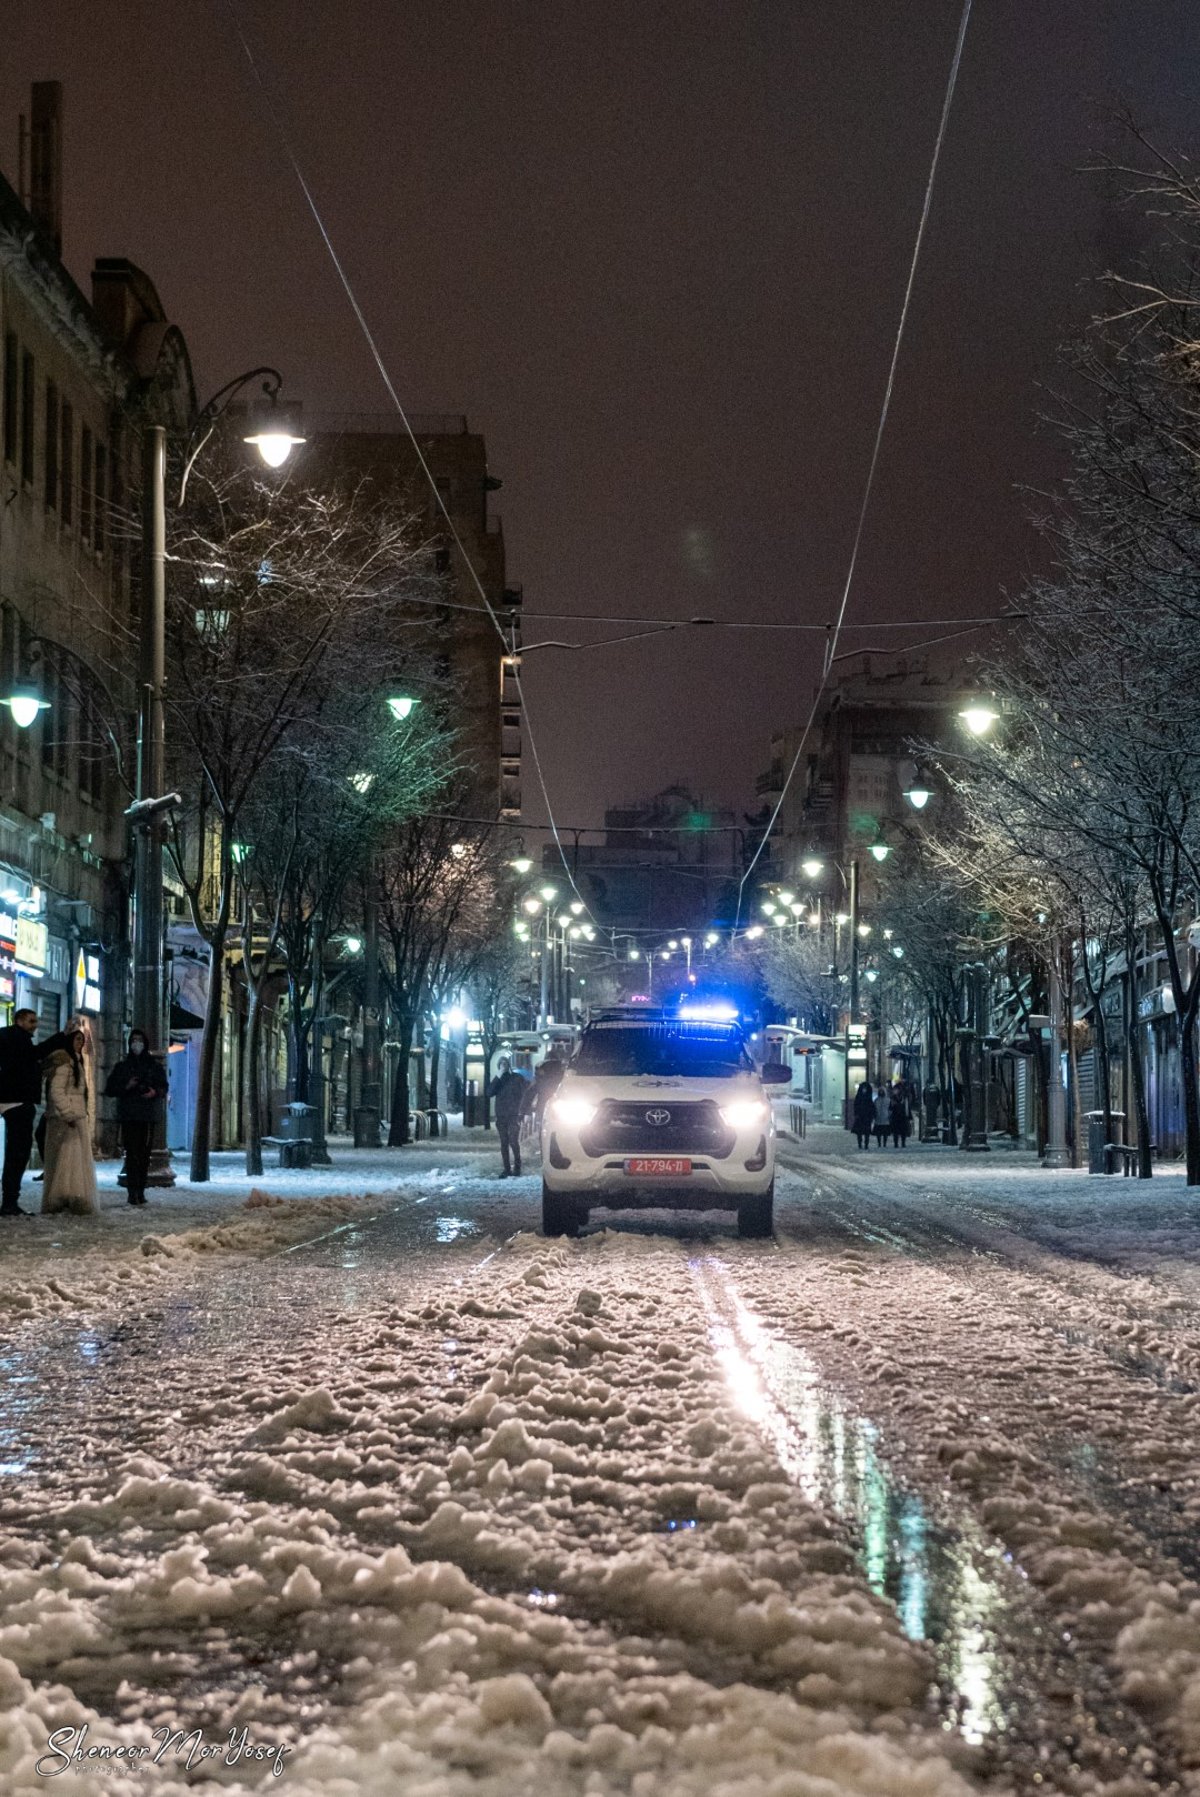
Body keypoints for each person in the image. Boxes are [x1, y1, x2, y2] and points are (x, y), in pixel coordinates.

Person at [0, 1008, 60, 1216]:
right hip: (17, 1102)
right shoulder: (16, 1037)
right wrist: (60, 1037)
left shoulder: (9, 1037)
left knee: (15, 1153)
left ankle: (9, 1200)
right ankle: (9, 1202)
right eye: (31, 1021)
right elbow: (33, 1054)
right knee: (18, 1153)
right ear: (19, 1020)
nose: (35, 1025)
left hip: (12, 1101)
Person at [105, 1030, 168, 1206]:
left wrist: (154, 1092)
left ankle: (140, 1190)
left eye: (140, 1040)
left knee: (143, 1155)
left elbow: (163, 1087)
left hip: (147, 1117)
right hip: (129, 1116)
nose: (136, 1043)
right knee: (131, 1155)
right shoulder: (122, 1067)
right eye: (133, 1040)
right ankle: (132, 1192)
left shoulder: (153, 1067)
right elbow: (110, 1089)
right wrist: (127, 1086)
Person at [41, 1027, 98, 1216]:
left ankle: (74, 1195)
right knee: (68, 1156)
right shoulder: (66, 1063)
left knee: (76, 1157)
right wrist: (68, 1113)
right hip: (69, 1118)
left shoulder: (76, 1062)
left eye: (82, 1040)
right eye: (77, 1039)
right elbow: (57, 1091)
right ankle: (65, 1195)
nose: (80, 1043)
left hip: (77, 1115)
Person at [489, 1055, 528, 1177]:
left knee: (513, 1141)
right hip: (501, 1116)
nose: (504, 1066)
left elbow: (525, 1094)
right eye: (501, 1064)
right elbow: (489, 1092)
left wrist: (524, 1112)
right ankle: (506, 1169)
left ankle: (517, 1167)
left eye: (505, 1064)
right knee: (504, 1142)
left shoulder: (517, 1078)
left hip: (514, 1115)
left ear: (509, 1065)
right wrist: (499, 1075)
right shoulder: (498, 1081)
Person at [851, 1081, 874, 1150]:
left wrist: (871, 1114)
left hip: (866, 1116)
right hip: (861, 1116)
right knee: (860, 1132)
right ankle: (860, 1144)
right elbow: (856, 1106)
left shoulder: (868, 1097)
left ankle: (866, 1144)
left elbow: (871, 1107)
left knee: (866, 1132)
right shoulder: (859, 1097)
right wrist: (856, 1114)